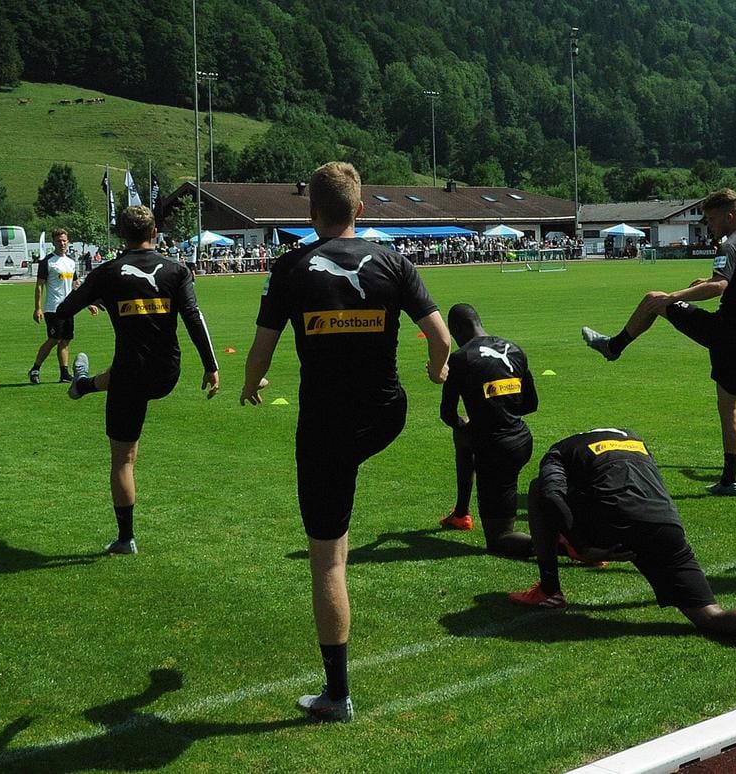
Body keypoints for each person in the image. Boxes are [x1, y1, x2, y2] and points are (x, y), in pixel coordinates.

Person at [242, 161, 451, 723]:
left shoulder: (290, 268)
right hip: (386, 413)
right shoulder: (392, 260)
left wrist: (250, 381)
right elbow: (441, 336)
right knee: (346, 472)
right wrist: (436, 372)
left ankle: (337, 695)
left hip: (327, 427)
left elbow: (261, 351)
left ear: (310, 213)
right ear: (360, 209)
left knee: (329, 559)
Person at [510, 428, 736, 660]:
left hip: (616, 525)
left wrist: (582, 546)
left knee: (539, 488)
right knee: (711, 616)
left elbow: (553, 494)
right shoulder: (634, 439)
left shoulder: (559, 450)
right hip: (665, 523)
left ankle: (550, 590)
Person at [581, 188, 736, 496]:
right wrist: (706, 280)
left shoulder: (730, 242)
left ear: (728, 215)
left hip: (723, 332)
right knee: (728, 406)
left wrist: (677, 296)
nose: (709, 226)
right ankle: (729, 480)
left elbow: (720, 286)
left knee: (655, 299)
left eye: (711, 219)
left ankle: (613, 347)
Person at [52, 205, 219, 555]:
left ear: (119, 234)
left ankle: (126, 538)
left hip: (129, 373)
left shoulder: (108, 272)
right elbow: (193, 317)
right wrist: (211, 365)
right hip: (167, 372)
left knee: (123, 460)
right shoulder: (177, 270)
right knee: (123, 378)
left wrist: (97, 294)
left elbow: (65, 309)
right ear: (155, 231)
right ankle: (83, 385)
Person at [436, 303, 537, 558]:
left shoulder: (461, 359)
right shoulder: (514, 349)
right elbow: (530, 404)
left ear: (457, 329)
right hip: (522, 440)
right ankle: (461, 513)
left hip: (495, 450)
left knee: (500, 539)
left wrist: (468, 423)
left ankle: (568, 543)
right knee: (464, 437)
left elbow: (447, 414)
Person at [29, 229, 94, 384]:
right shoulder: (47, 262)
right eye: (59, 241)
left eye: (64, 240)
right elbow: (39, 286)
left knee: (65, 340)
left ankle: (64, 373)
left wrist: (88, 303)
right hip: (53, 308)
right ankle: (35, 368)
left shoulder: (71, 262)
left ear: (68, 241)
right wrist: (38, 308)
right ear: (53, 243)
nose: (62, 243)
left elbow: (76, 285)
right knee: (54, 339)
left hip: (68, 308)